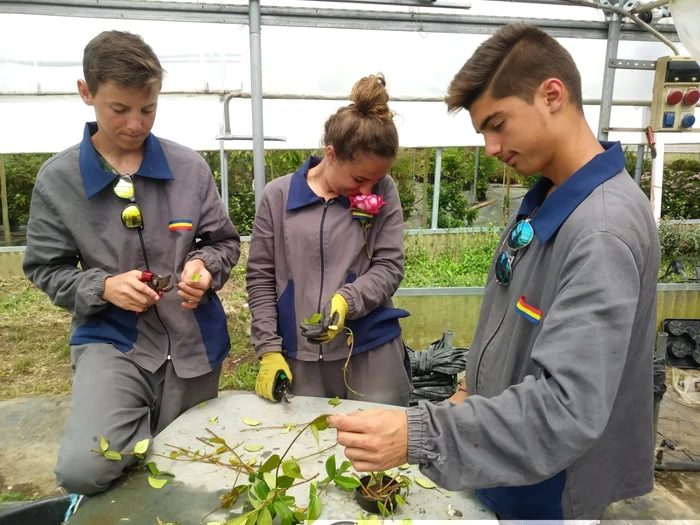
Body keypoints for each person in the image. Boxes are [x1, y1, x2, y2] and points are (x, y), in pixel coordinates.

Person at [328, 22, 661, 522]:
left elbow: (567, 408)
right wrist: (467, 386)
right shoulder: (548, 197)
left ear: (552, 94)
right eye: (483, 130)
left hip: (547, 487)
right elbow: (511, 318)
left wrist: (421, 434)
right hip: (502, 462)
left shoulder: (601, 231)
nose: (490, 146)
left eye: (498, 123)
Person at [22, 30, 241, 517]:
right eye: (119, 109)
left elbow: (223, 242)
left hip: (191, 339)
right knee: (87, 466)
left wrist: (206, 268)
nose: (135, 123)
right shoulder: (60, 181)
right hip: (112, 339)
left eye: (148, 109)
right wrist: (102, 286)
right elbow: (46, 268)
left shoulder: (188, 168)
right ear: (86, 93)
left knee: (191, 466)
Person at [247, 73, 412, 407]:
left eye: (377, 180)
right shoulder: (278, 196)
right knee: (306, 450)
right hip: (300, 357)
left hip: (369, 352)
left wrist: (346, 301)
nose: (368, 191)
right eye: (360, 178)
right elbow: (261, 278)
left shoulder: (383, 190)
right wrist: (268, 350)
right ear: (331, 154)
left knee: (380, 454)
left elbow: (389, 266)